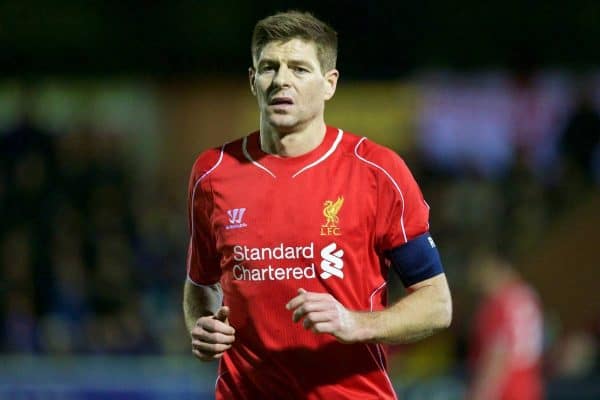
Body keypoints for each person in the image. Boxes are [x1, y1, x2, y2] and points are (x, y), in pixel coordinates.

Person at [183, 10, 452, 399]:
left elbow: (436, 304)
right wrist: (203, 324)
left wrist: (355, 323)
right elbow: (199, 284)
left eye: (299, 69)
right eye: (269, 67)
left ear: (329, 84)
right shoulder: (213, 173)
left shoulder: (377, 171)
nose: (281, 81)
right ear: (252, 80)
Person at [467, 252, 544, 400]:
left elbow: (498, 353)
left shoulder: (499, 303)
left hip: (506, 388)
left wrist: (481, 393)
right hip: (529, 385)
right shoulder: (527, 295)